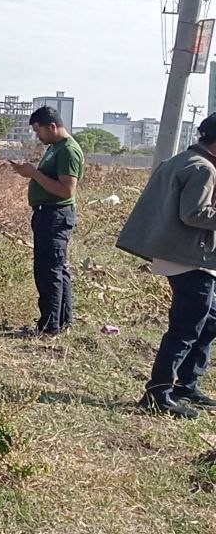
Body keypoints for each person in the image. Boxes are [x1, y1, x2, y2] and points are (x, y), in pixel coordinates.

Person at [117, 114, 216, 419]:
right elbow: (195, 214)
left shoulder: (183, 160)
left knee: (209, 320)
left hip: (179, 254)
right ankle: (158, 394)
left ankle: (186, 384)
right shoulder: (204, 169)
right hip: (189, 259)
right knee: (186, 327)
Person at [9, 106, 84, 336]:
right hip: (47, 214)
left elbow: (66, 191)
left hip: (55, 215)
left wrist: (33, 174)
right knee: (57, 269)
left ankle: (49, 327)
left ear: (52, 126)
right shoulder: (56, 147)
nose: (37, 136)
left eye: (38, 131)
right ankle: (61, 322)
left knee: (48, 271)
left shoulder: (68, 151)